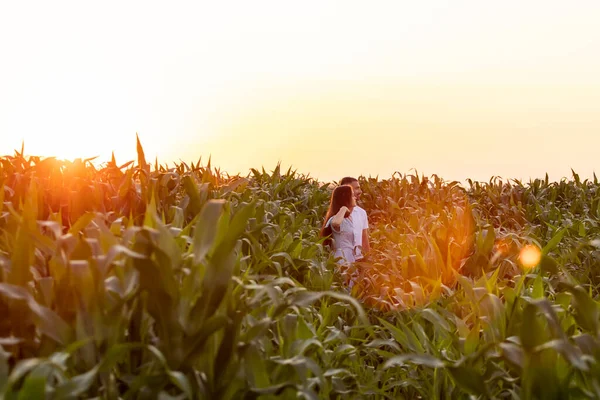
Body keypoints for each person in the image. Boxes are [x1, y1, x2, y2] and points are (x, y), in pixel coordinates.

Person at [320, 185, 357, 265]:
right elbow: (335, 223)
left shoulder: (348, 219)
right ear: (345, 198)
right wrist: (343, 208)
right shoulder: (335, 219)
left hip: (350, 258)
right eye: (353, 195)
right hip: (341, 260)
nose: (355, 198)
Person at [339, 177, 370, 261]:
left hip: (358, 260)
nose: (360, 191)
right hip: (342, 261)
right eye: (356, 188)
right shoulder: (336, 215)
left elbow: (364, 238)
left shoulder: (361, 213)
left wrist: (367, 260)